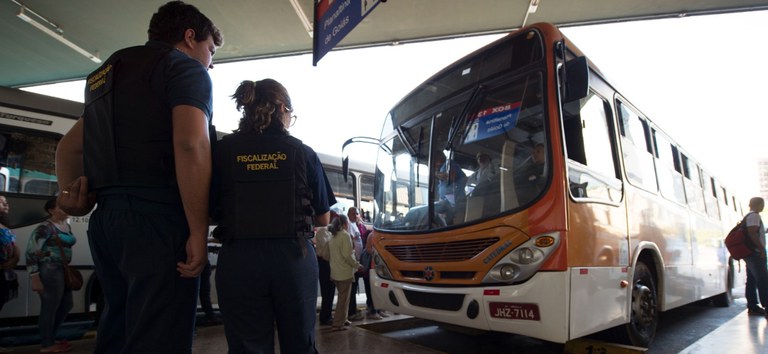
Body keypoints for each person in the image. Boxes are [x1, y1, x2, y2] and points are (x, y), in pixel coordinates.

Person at [54, 2, 223, 352]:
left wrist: (72, 196)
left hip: (108, 223)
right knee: (160, 336)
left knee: (118, 326)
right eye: (210, 50)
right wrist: (196, 230)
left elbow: (69, 149)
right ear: (190, 37)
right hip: (157, 219)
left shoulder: (108, 72)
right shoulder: (185, 69)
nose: (210, 61)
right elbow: (191, 145)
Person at [211, 79, 336, 353]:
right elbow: (323, 218)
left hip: (238, 260)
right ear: (282, 108)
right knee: (300, 345)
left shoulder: (221, 151)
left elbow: (209, 209)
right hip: (293, 258)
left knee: (247, 346)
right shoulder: (302, 153)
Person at [25, 198, 76, 353]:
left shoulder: (67, 226)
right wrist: (35, 277)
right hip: (50, 269)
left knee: (67, 304)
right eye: (61, 207)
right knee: (50, 307)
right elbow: (31, 252)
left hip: (62, 270)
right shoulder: (45, 228)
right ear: (51, 210)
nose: (65, 208)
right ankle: (47, 345)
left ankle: (51, 338)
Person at [328, 215, 363, 331]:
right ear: (344, 224)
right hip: (344, 273)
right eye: (347, 222)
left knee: (344, 298)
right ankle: (338, 323)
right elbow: (347, 256)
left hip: (335, 272)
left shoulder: (333, 236)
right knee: (343, 300)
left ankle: (344, 319)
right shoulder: (345, 235)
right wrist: (358, 265)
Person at [744, 197, 768, 319]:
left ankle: (752, 306)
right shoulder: (754, 216)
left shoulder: (749, 216)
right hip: (755, 253)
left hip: (750, 253)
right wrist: (761, 248)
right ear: (758, 204)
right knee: (763, 279)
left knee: (752, 280)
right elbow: (752, 232)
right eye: (762, 204)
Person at [315, 211, 336, 326]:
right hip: (324, 263)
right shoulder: (323, 231)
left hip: (331, 263)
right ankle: (325, 316)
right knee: (326, 291)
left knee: (331, 291)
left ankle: (328, 315)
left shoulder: (331, 232)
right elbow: (328, 248)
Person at [434, 152, 467, 225]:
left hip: (454, 202)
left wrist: (435, 173)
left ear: (438, 158)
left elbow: (451, 176)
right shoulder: (443, 167)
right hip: (448, 202)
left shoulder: (449, 163)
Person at [346, 207, 365, 321]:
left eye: (357, 213)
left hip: (356, 261)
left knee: (354, 287)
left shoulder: (354, 225)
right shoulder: (349, 225)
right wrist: (356, 262)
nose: (355, 215)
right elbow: (350, 243)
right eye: (353, 213)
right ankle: (351, 313)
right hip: (353, 262)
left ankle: (353, 309)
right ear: (348, 214)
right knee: (352, 289)